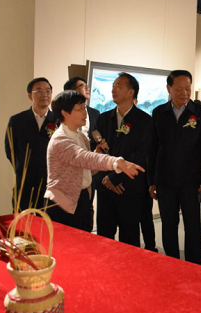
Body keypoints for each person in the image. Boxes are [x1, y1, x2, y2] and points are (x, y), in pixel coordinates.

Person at [45, 91, 144, 230]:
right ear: (65, 113)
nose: (85, 113)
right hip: (62, 202)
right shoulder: (60, 140)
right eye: (80, 109)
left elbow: (88, 167)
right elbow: (84, 157)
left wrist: (97, 153)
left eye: (84, 108)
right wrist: (116, 162)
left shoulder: (81, 136)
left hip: (82, 198)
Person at [149, 70, 201, 264]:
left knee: (193, 225)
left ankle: (194, 266)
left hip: (191, 181)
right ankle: (172, 264)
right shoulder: (159, 113)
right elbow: (153, 150)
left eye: (188, 88)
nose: (184, 93)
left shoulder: (200, 113)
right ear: (168, 88)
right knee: (168, 225)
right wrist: (151, 181)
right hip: (165, 181)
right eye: (179, 89)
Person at [95, 72, 154, 248]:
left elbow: (141, 154)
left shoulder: (144, 120)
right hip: (105, 187)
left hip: (129, 187)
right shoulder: (104, 118)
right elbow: (97, 152)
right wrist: (106, 179)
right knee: (104, 236)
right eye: (113, 86)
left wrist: (114, 178)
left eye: (118, 86)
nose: (113, 90)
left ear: (130, 92)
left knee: (129, 239)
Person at [5, 77, 57, 211]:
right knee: (22, 218)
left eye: (48, 91)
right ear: (30, 96)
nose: (44, 94)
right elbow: (10, 149)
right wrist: (21, 166)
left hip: (50, 182)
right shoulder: (17, 120)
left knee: (47, 219)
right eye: (39, 91)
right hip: (24, 181)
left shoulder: (58, 121)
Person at [63, 76, 101, 233]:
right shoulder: (62, 115)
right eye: (82, 86)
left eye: (87, 85)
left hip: (89, 170)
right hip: (68, 172)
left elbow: (97, 138)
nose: (87, 88)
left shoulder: (95, 113)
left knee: (87, 207)